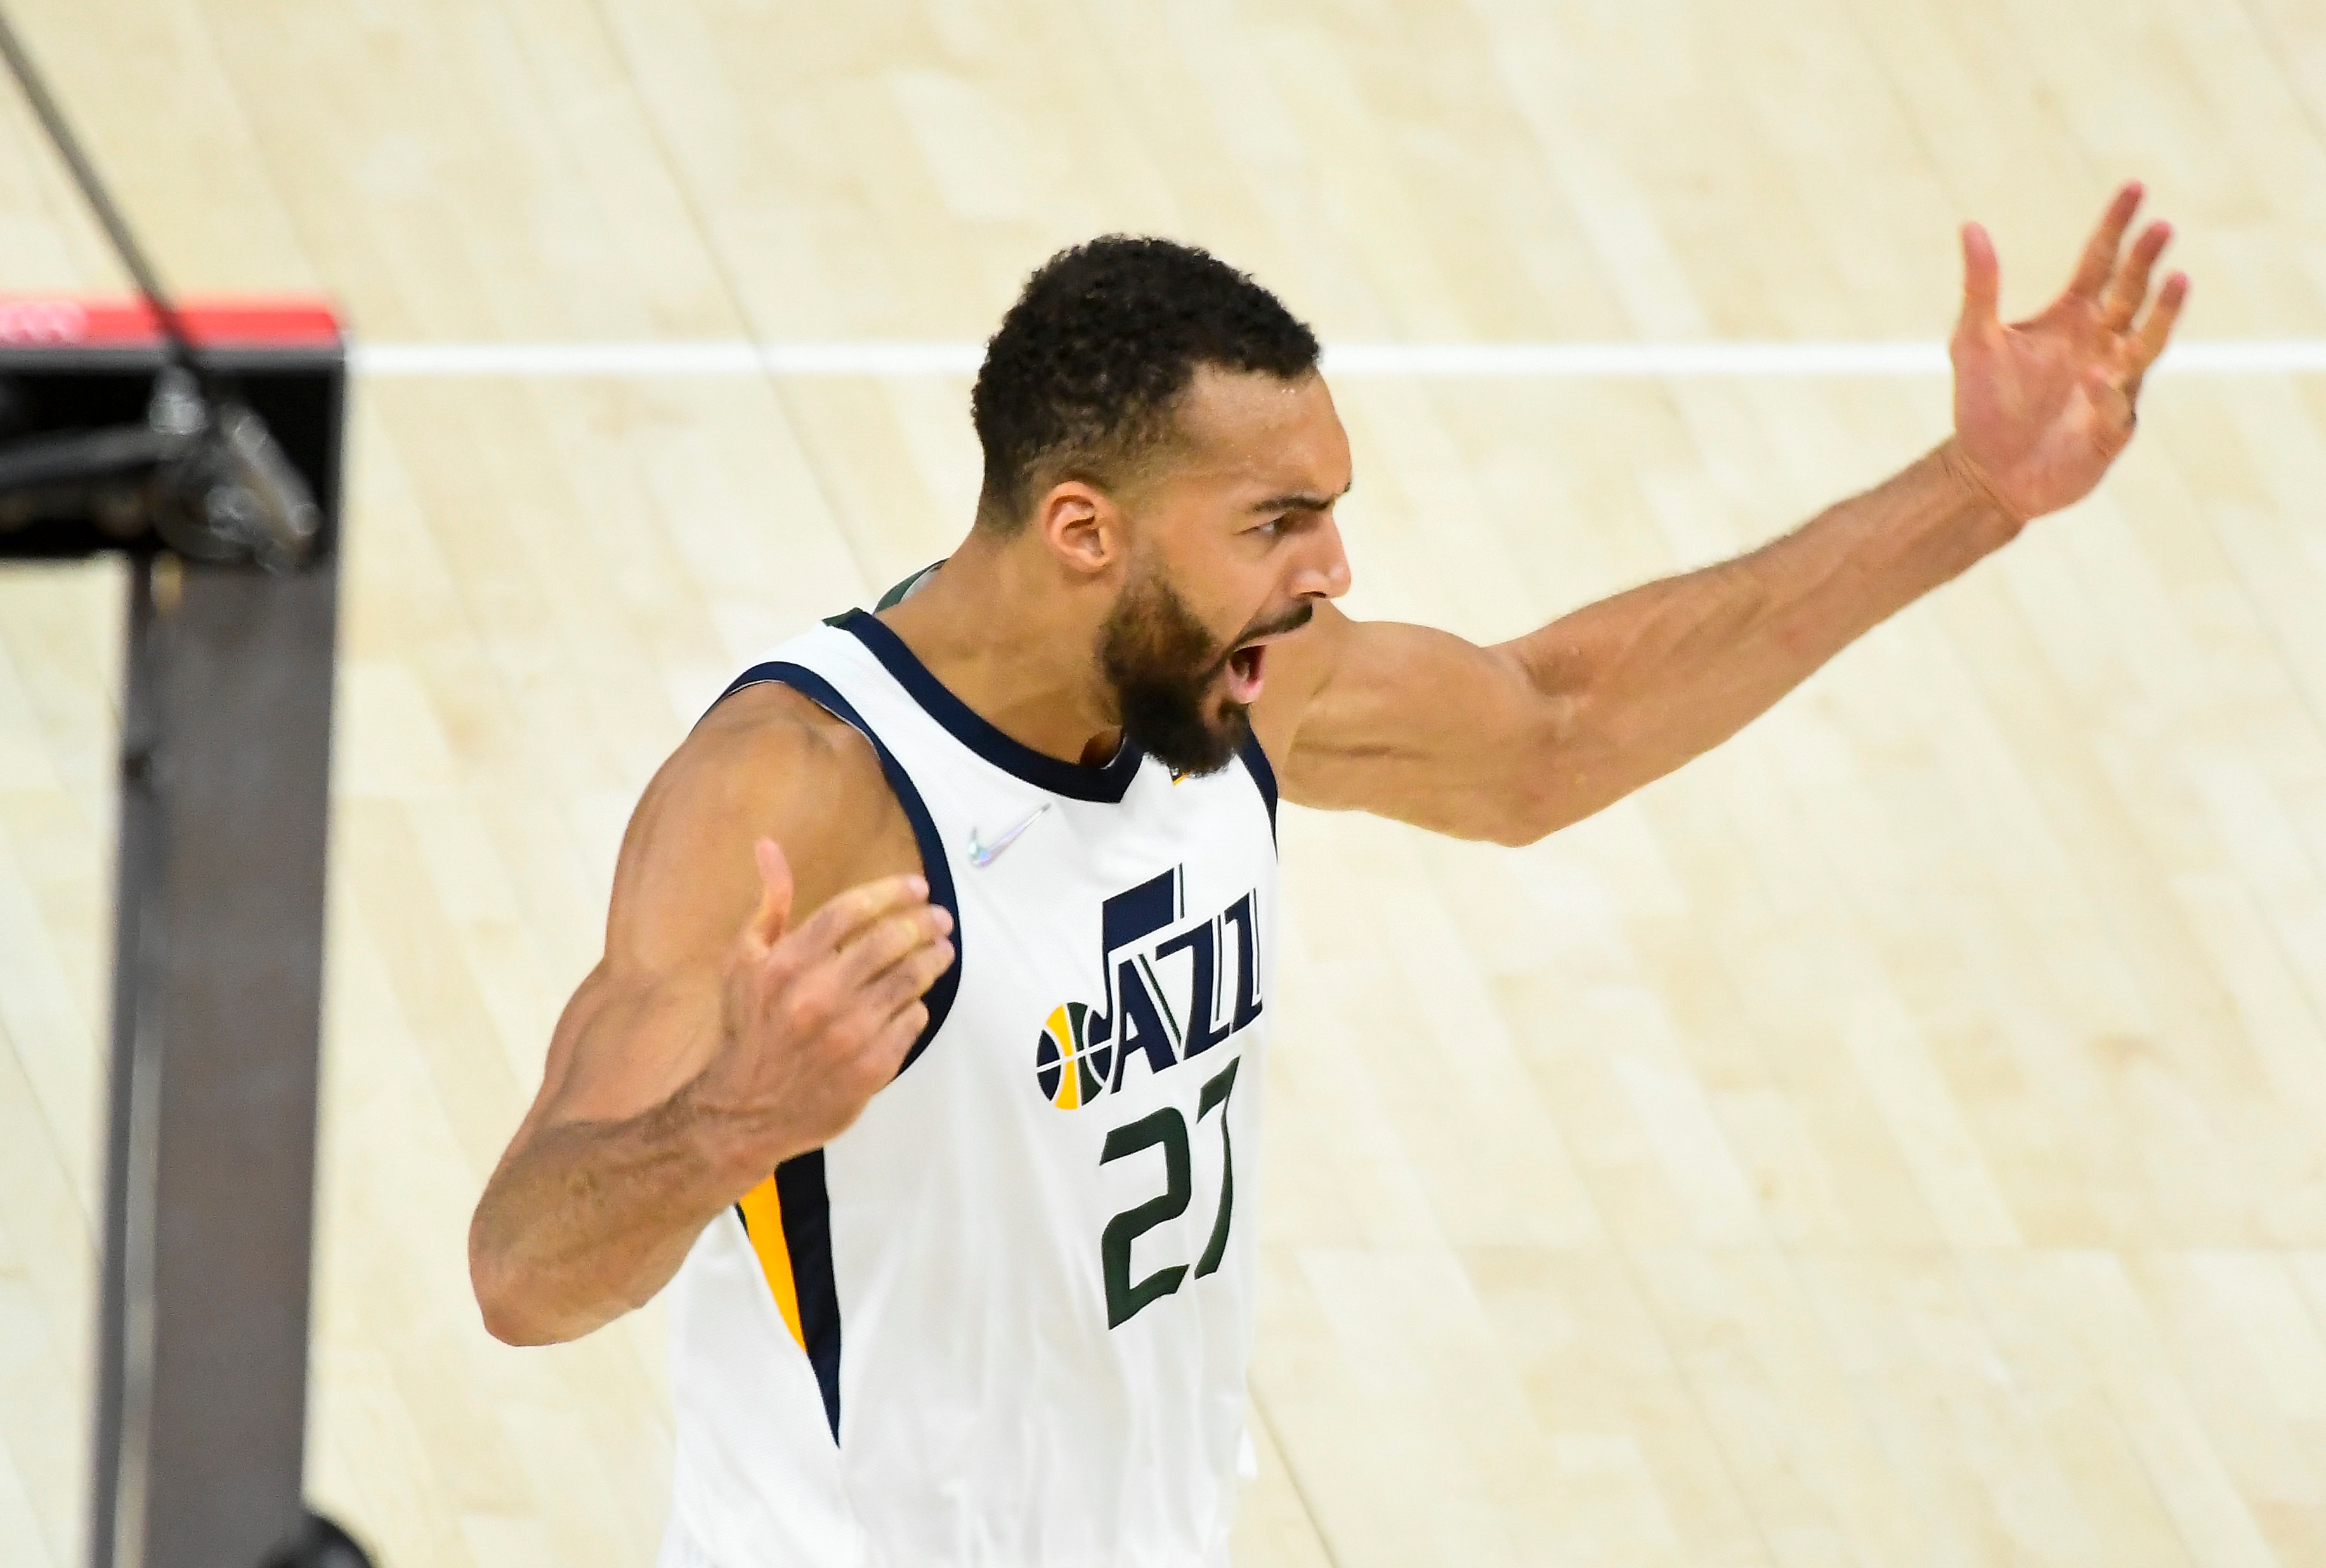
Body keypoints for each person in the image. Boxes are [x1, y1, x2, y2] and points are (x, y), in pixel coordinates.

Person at [468, 185, 2186, 1567]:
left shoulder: (1238, 687)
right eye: (1277, 521)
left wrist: (1974, 494)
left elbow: (1549, 731)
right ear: (1085, 531)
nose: (1332, 564)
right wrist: (735, 1122)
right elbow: (525, 1273)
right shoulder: (799, 794)